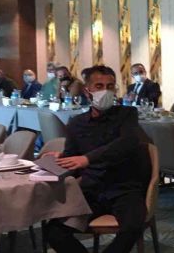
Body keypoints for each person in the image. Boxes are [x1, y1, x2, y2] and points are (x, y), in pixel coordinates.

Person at [45, 65, 150, 253]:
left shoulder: (127, 114)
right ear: (87, 91)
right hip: (91, 188)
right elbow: (72, 158)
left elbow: (128, 142)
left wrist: (87, 159)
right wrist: (60, 158)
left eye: (110, 86)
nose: (105, 91)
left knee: (133, 227)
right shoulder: (77, 123)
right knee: (53, 231)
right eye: (99, 86)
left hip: (124, 188)